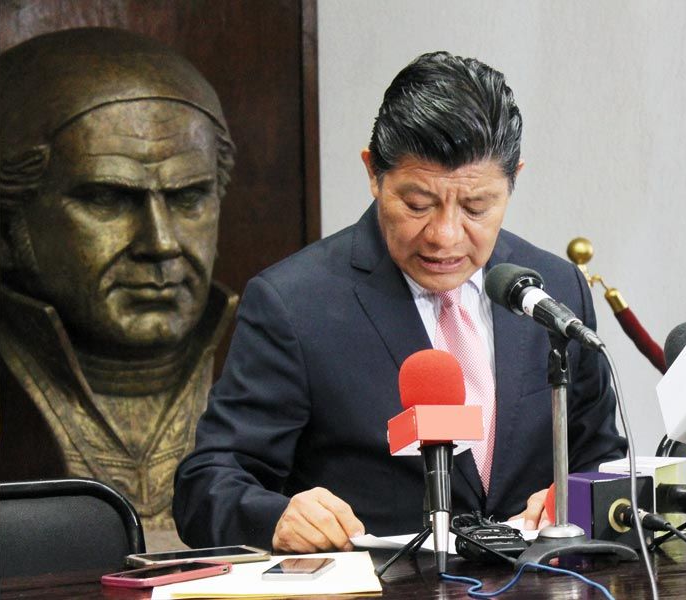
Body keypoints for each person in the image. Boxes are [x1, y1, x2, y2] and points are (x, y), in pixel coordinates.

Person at [174, 51, 626, 552]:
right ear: (374, 173)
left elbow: (602, 459)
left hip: (538, 580)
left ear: (512, 180)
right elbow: (206, 482)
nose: (444, 235)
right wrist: (276, 517)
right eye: (417, 204)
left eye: (476, 206)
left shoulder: (554, 290)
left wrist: (574, 498)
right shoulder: (293, 304)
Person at [0, 28, 238, 528]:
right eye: (108, 198)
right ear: (7, 218)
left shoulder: (276, 365)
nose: (161, 243)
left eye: (188, 197)